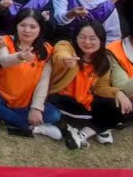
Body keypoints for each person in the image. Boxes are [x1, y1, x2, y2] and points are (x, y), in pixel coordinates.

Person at [47, 19, 126, 147]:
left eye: (93, 38)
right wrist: (66, 60)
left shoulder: (103, 60)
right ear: (76, 37)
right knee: (106, 117)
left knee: (121, 108)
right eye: (82, 37)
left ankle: (82, 134)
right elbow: (60, 55)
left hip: (85, 102)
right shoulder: (66, 46)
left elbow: (101, 88)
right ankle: (100, 127)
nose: (87, 42)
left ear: (101, 40)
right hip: (60, 99)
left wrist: (117, 93)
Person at [0, 11, 62, 139]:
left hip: (26, 101)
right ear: (16, 25)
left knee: (55, 114)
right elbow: (4, 61)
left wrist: (36, 108)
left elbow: (44, 81)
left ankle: (5, 117)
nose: (27, 30)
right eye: (22, 25)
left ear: (40, 29)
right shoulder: (4, 40)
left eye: (33, 27)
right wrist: (20, 56)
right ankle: (34, 128)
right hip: (1, 96)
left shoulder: (46, 49)